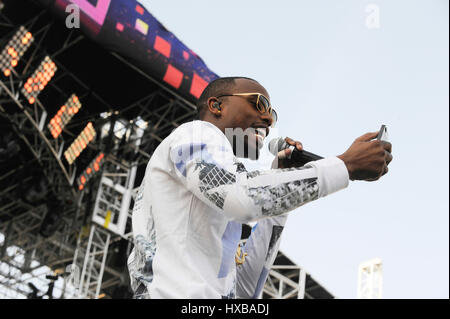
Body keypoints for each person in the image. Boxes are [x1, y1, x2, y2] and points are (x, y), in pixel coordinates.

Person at [127, 77, 393, 299]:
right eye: (259, 103)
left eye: (272, 114)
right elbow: (242, 198)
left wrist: (278, 203)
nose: (268, 119)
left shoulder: (214, 191)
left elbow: (244, 293)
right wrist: (343, 166)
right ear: (217, 105)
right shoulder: (196, 133)